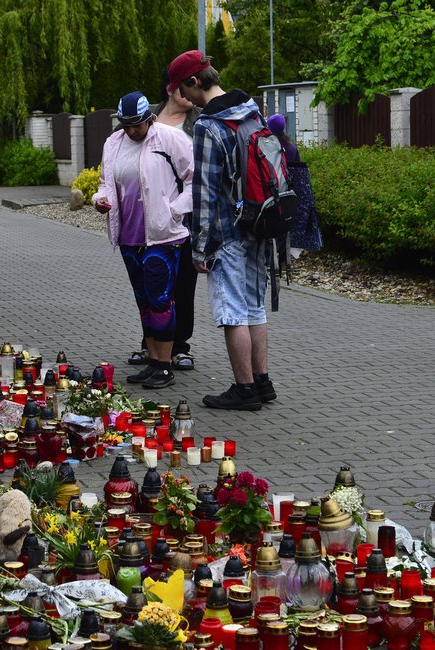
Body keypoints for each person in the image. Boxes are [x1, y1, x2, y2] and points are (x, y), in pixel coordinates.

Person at [166, 50, 276, 411]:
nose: (185, 98)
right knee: (254, 306)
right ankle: (262, 382)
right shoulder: (251, 109)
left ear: (195, 82)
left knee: (232, 312)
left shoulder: (209, 125)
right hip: (261, 221)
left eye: (185, 90)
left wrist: (199, 248)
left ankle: (244, 390)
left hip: (228, 231)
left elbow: (206, 192)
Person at [93, 91, 194, 389]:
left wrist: (175, 210)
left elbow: (196, 179)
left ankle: (164, 365)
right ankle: (152, 361)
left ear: (149, 119)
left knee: (161, 299)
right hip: (129, 235)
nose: (132, 130)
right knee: (144, 301)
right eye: (126, 125)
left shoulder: (170, 139)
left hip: (163, 236)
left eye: (137, 124)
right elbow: (105, 183)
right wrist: (101, 199)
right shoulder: (113, 143)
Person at [128, 72, 203, 371]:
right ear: (172, 87)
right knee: (150, 285)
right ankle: (152, 343)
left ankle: (180, 345)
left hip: (184, 217)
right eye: (187, 85)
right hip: (144, 218)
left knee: (183, 282)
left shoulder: (199, 122)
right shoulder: (148, 116)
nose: (193, 92)